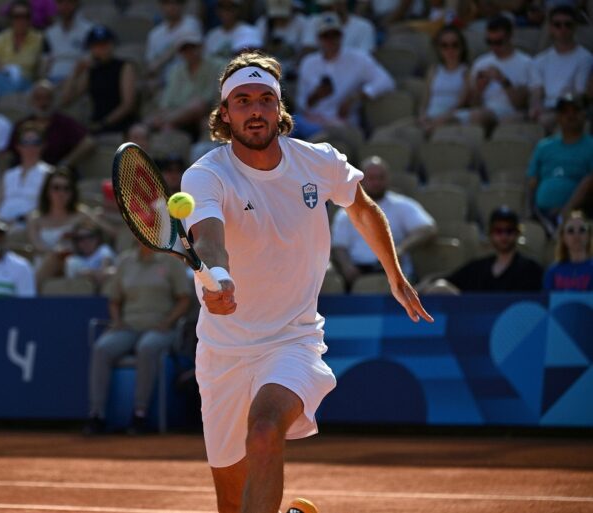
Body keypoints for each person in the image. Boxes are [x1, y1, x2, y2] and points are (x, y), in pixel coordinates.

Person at [180, 52, 432, 513]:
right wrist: (219, 278)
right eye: (242, 101)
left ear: (279, 108)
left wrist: (395, 275)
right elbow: (209, 239)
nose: (255, 110)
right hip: (223, 351)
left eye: (265, 99)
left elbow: (362, 209)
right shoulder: (206, 175)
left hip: (292, 341)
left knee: (264, 431)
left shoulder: (319, 162)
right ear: (224, 114)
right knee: (230, 503)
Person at [85, 240, 191, 435]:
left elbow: (184, 299)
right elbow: (114, 300)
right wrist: (117, 321)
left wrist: (168, 322)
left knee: (147, 347)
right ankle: (96, 415)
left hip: (161, 328)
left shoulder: (172, 262)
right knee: (102, 348)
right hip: (129, 326)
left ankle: (139, 414)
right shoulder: (125, 261)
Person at [332, 156, 436, 289]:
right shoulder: (346, 211)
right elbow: (339, 246)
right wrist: (347, 266)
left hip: (394, 272)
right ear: (361, 180)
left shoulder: (401, 205)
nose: (376, 182)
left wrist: (401, 249)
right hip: (359, 273)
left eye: (381, 177)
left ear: (388, 179)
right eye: (371, 178)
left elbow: (428, 229)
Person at [294, 12, 394, 139]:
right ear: (318, 39)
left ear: (341, 36)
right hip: (310, 122)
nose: (331, 40)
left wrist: (355, 97)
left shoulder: (358, 58)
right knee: (284, 126)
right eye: (326, 36)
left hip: (341, 124)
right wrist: (315, 96)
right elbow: (301, 103)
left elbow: (386, 81)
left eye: (335, 35)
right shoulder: (308, 62)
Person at [526, 93, 593, 234]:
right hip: (541, 214)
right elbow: (532, 182)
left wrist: (567, 209)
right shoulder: (544, 146)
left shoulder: (591, 146)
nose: (570, 115)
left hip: (579, 216)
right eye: (565, 112)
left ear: (584, 114)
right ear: (558, 117)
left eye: (575, 111)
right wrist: (532, 211)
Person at [437, 207, 543, 292]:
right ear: (490, 233)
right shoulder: (477, 269)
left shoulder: (531, 269)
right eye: (498, 231)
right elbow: (447, 282)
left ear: (517, 233)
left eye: (509, 230)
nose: (504, 236)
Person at [60, 25, 138, 135]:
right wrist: (75, 74)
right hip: (96, 124)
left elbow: (128, 104)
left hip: (121, 124)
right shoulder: (91, 71)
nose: (102, 49)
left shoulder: (124, 67)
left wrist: (104, 123)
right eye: (97, 46)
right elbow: (66, 100)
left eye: (105, 44)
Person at [144, 29, 221, 139]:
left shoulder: (217, 66)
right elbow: (167, 102)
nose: (189, 51)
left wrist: (169, 117)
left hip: (206, 112)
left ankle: (164, 122)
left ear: (201, 47)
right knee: (164, 124)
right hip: (179, 115)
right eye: (184, 49)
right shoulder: (176, 71)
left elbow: (207, 101)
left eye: (192, 47)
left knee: (197, 106)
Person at [461, 16, 531, 134]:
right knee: (450, 119)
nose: (493, 47)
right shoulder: (480, 62)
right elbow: (473, 104)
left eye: (498, 42)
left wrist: (503, 80)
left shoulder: (526, 63)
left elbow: (520, 104)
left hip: (509, 112)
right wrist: (479, 89)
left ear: (510, 37)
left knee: (478, 116)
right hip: (482, 111)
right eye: (490, 42)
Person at [528, 6, 592, 132]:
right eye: (557, 25)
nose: (563, 29)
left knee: (545, 121)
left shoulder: (586, 58)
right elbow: (536, 91)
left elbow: (579, 94)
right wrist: (535, 106)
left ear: (575, 27)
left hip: (569, 110)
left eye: (568, 24)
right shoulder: (540, 60)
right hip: (546, 109)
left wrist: (556, 110)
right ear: (550, 28)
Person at [11, 80, 94, 170]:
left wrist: (64, 164)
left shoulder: (64, 123)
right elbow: (8, 153)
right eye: (38, 98)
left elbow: (88, 142)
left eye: (48, 98)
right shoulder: (21, 125)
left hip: (56, 173)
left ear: (53, 100)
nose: (43, 103)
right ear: (31, 101)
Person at [0, 123, 53, 226]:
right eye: (25, 142)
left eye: (35, 142)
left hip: (29, 225)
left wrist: (20, 219)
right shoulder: (8, 175)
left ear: (43, 145)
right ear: (18, 146)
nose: (30, 147)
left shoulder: (49, 173)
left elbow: (48, 207)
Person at [0, 0, 44, 96]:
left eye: (25, 16)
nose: (21, 21)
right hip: (3, 78)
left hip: (26, 81)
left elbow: (42, 67)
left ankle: (9, 99)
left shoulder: (39, 39)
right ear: (10, 19)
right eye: (17, 16)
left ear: (30, 19)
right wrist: (7, 70)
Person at [419, 24, 470, 134]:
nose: (450, 49)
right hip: (429, 116)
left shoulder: (466, 72)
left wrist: (440, 120)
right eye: (444, 45)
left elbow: (461, 103)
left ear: (462, 47)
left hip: (451, 118)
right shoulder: (433, 70)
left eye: (455, 45)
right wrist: (422, 117)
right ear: (438, 48)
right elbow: (425, 100)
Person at [145, 0, 204, 87]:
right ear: (161, 5)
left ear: (183, 5)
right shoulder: (154, 34)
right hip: (163, 84)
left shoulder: (191, 23)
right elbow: (151, 67)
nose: (172, 6)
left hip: (190, 82)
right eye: (167, 3)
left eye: (176, 2)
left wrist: (158, 63)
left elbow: (188, 47)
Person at [42, 0, 93, 84]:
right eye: (61, 2)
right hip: (53, 79)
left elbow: (88, 60)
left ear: (76, 4)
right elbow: (46, 61)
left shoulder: (89, 30)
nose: (65, 6)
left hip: (77, 78)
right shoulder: (49, 33)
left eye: (69, 2)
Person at [543, 210, 591, 291]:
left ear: (588, 236)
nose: (576, 235)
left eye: (582, 230)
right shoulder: (552, 272)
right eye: (570, 231)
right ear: (563, 237)